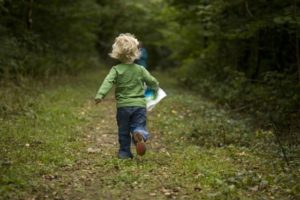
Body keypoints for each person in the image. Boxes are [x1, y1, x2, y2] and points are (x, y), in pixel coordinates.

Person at [95, 33, 159, 159]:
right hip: (139, 105)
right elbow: (152, 81)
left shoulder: (116, 70)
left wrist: (100, 95)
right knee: (138, 125)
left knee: (123, 131)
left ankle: (124, 152)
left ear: (117, 53)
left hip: (123, 106)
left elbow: (107, 82)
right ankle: (139, 133)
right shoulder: (140, 69)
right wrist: (155, 87)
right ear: (136, 52)